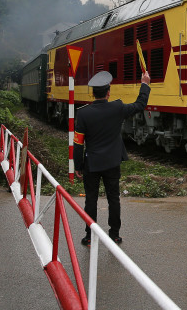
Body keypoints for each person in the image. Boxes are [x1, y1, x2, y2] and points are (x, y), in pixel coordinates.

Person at [74, 70, 151, 245]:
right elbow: (140, 105)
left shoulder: (84, 114)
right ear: (108, 92)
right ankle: (114, 235)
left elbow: (78, 143)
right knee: (113, 198)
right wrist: (144, 84)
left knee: (91, 200)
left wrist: (78, 165)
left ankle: (89, 236)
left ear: (93, 93)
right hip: (112, 163)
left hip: (91, 164)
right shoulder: (117, 108)